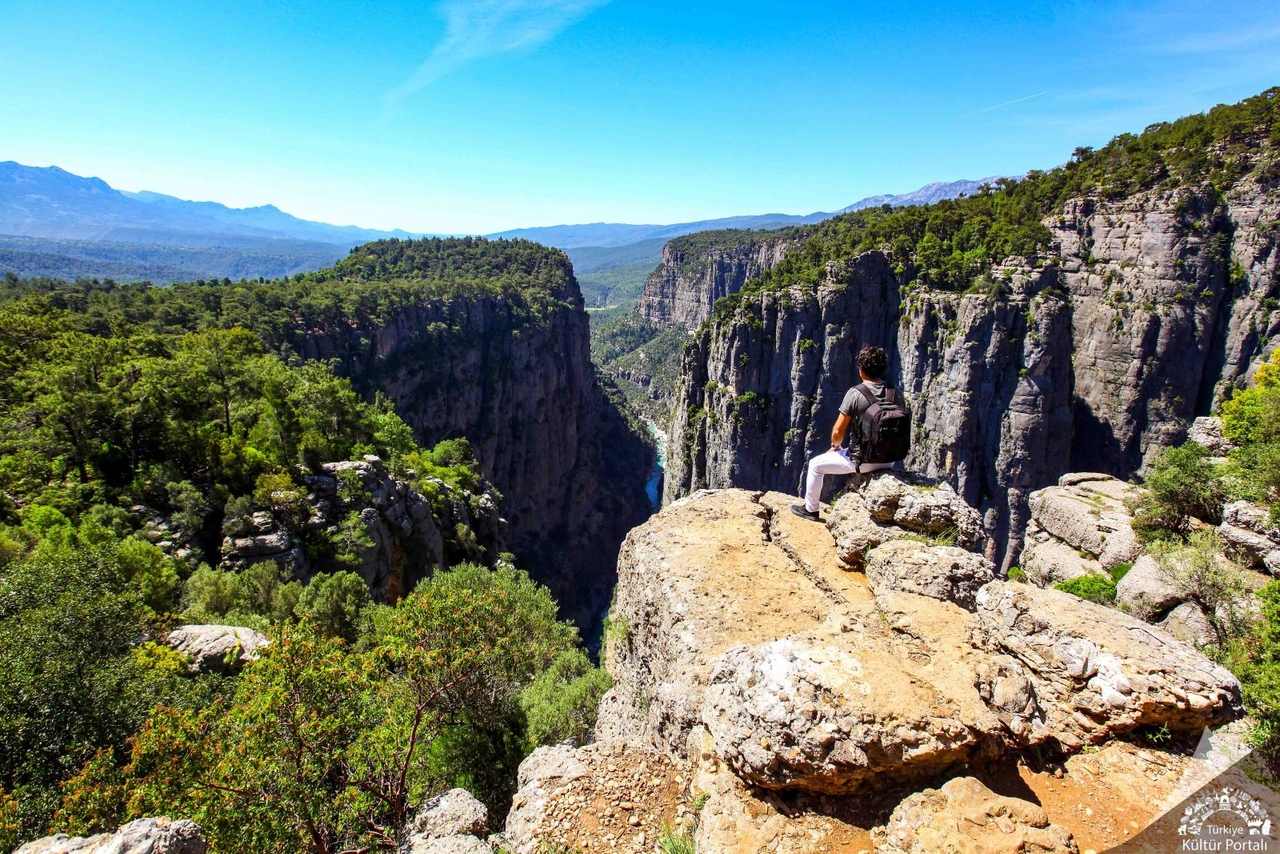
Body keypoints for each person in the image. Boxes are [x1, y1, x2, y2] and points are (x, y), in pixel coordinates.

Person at [791, 345, 907, 521]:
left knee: (815, 465)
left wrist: (835, 447)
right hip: (890, 459)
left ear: (861, 371)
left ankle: (811, 509)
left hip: (863, 461)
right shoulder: (895, 392)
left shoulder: (855, 394)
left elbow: (838, 431)